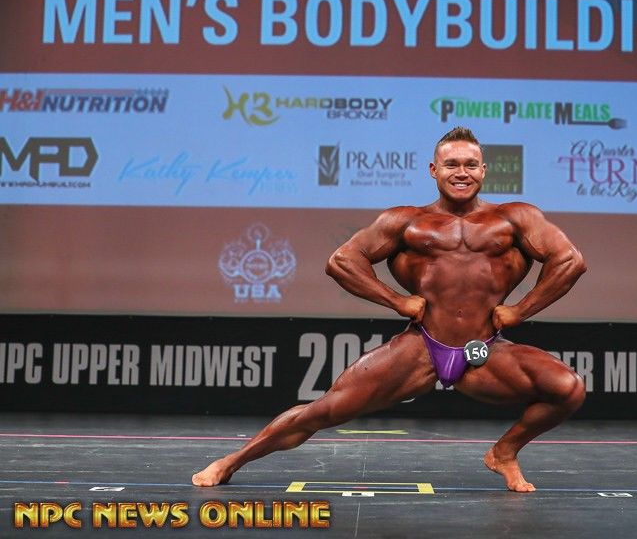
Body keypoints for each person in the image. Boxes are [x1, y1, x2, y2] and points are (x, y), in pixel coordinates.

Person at [192, 127, 587, 492]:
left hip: (485, 349)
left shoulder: (515, 217)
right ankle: (231, 461)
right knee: (324, 410)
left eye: (470, 164)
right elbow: (342, 262)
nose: (461, 173)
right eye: (451, 164)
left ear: (483, 170)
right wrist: (397, 301)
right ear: (433, 170)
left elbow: (569, 261)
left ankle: (504, 452)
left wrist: (520, 310)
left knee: (568, 390)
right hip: (421, 347)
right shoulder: (407, 221)